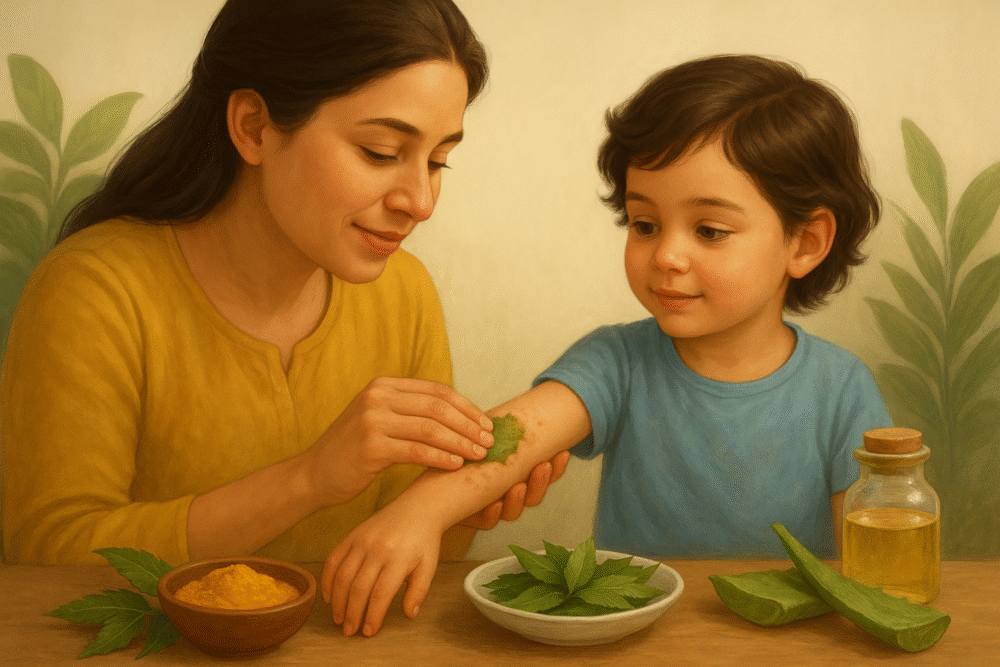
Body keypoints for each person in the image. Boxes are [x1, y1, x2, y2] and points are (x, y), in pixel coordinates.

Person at [320, 54, 894, 637]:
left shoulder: (842, 389)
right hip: (639, 640)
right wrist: (417, 514)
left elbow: (878, 568)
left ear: (807, 242)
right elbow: (510, 439)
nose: (666, 255)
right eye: (644, 225)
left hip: (791, 644)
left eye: (709, 231)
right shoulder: (617, 363)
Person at [1, 0, 569, 567]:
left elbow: (388, 558)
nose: (419, 202)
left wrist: (449, 511)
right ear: (254, 128)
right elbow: (47, 556)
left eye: (438, 160)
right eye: (381, 153)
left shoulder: (405, 294)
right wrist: (309, 479)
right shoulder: (95, 291)